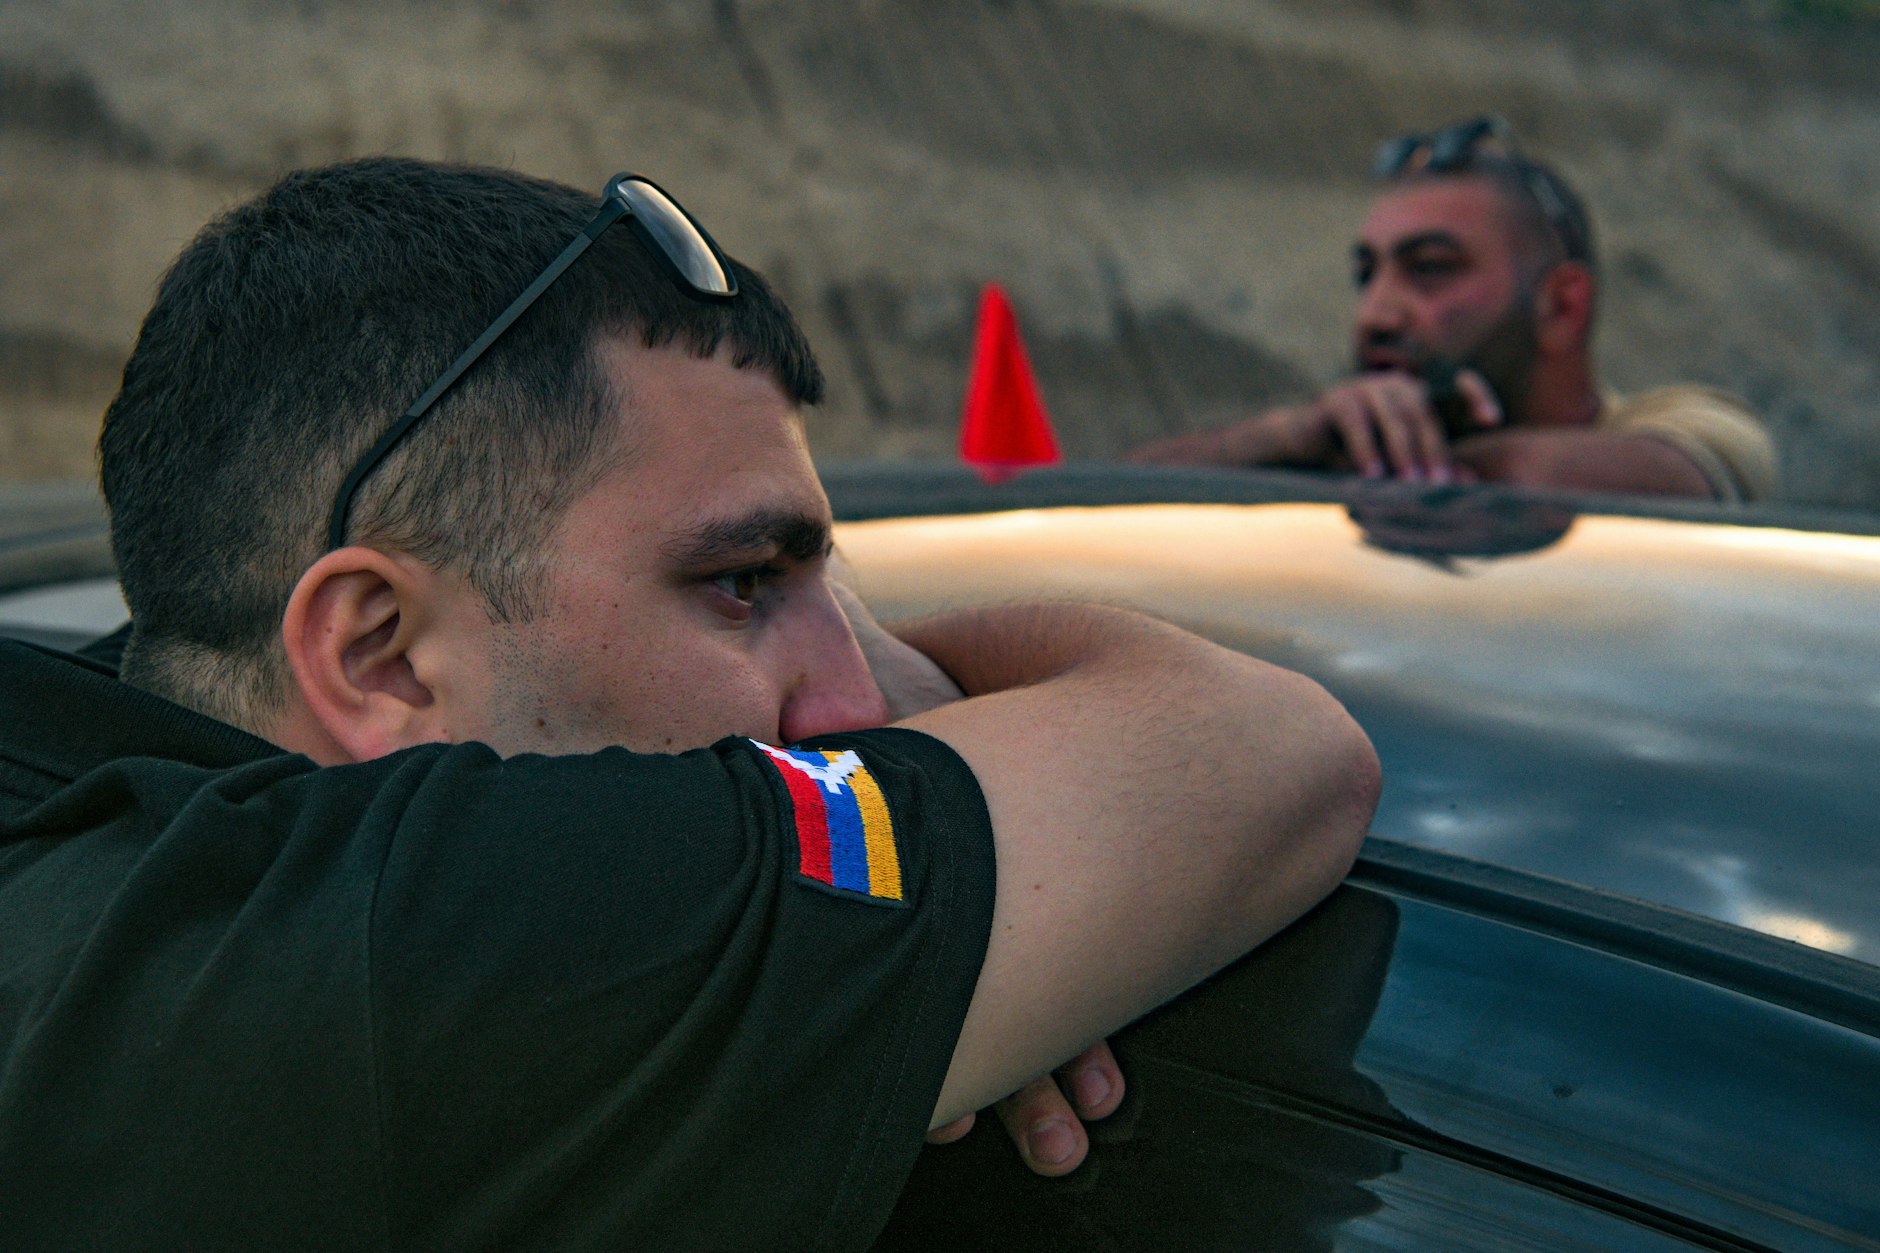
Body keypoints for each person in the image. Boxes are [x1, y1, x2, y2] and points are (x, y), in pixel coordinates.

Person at [0, 158, 1380, 1251]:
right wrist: (964, 910)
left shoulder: (93, 810)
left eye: (820, 584)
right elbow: (1272, 751)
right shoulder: (401, 955)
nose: (851, 700)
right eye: (739, 582)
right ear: (378, 658)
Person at [1130, 116, 1777, 503]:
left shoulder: (1697, 427)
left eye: (1430, 268)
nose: (1376, 315)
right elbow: (1108, 503)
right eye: (1366, 274)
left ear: (1561, 306)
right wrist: (1285, 437)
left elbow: (1561, 482)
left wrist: (1364, 457)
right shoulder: (1336, 440)